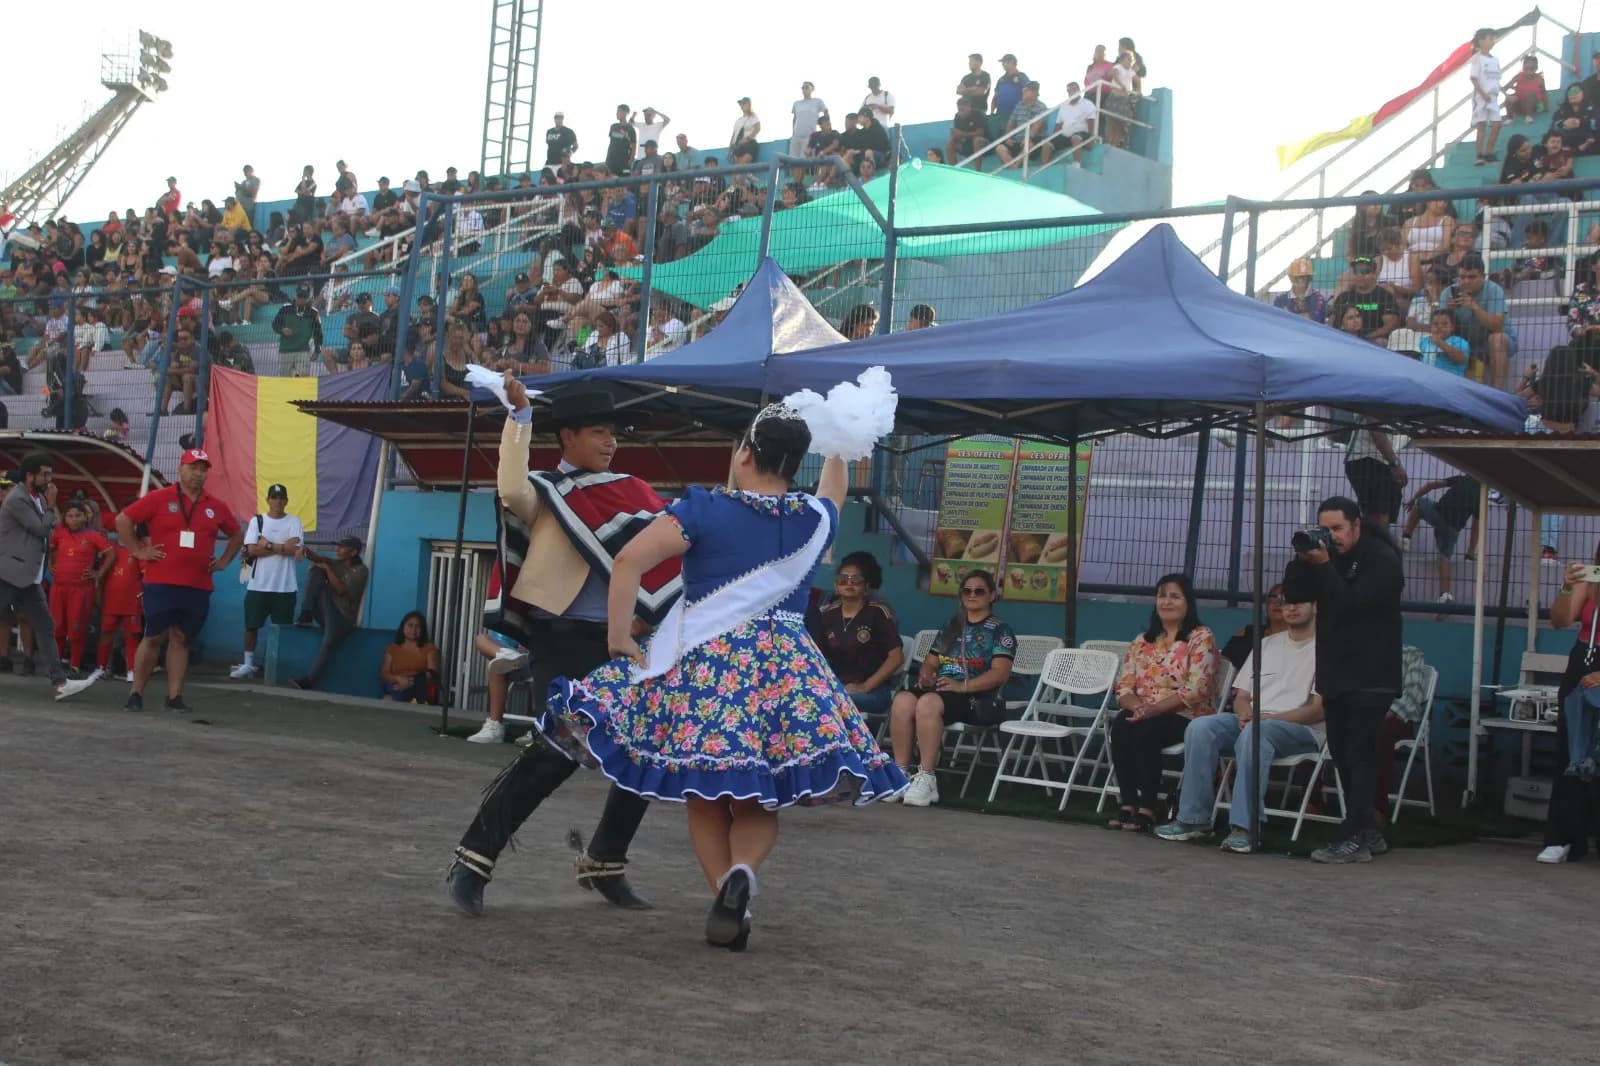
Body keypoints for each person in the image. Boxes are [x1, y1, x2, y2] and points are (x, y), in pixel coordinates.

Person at [539, 398, 906, 951]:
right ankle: (743, 875)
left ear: (744, 455)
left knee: (705, 795)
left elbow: (628, 562)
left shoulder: (705, 509)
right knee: (758, 801)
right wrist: (840, 435)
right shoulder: (815, 519)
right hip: (785, 668)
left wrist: (618, 637)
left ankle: (725, 894)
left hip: (707, 668)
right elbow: (834, 488)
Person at [445, 381, 686, 918]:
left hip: (623, 641)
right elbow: (509, 489)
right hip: (563, 636)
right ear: (569, 436)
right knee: (555, 753)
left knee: (641, 752)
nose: (610, 443)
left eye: (613, 433)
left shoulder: (635, 489)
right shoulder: (544, 492)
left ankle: (606, 860)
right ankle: (474, 859)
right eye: (599, 432)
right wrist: (521, 418)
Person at [1283, 495, 1404, 864]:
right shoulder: (1327, 559)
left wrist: (1323, 567)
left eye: (1337, 528)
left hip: (1372, 673)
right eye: (1326, 528)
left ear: (1356, 525)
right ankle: (1366, 828)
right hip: (1336, 672)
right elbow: (1296, 595)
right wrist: (1304, 560)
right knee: (1341, 753)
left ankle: (1353, 836)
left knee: (1360, 753)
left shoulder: (1381, 561)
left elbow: (1351, 605)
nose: (1331, 536)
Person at [1156, 597, 1323, 852]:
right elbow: (1242, 696)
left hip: (1300, 728)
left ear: (1316, 607)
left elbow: (1317, 710)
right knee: (1201, 727)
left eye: (1300, 601)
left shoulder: (1329, 648)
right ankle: (1193, 819)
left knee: (1255, 733)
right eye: (1286, 602)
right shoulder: (1266, 644)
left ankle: (1246, 828)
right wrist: (1245, 713)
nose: (1290, 606)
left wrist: (1263, 719)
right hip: (1255, 720)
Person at [116, 448, 244, 713]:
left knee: (182, 638)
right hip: (161, 581)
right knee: (153, 636)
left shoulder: (214, 505)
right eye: (193, 468)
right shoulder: (160, 498)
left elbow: (236, 534)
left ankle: (174, 696)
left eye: (203, 469)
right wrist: (139, 550)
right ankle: (136, 692)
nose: (198, 474)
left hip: (197, 584)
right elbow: (123, 519)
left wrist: (223, 562)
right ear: (180, 469)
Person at [888, 569, 1016, 808]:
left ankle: (927, 778)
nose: (972, 595)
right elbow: (931, 661)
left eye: (979, 591)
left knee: (927, 703)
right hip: (942, 690)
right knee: (903, 699)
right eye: (967, 591)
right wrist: (926, 675)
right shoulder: (952, 626)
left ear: (991, 596)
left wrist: (962, 686)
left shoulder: (1000, 630)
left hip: (975, 697)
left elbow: (1000, 673)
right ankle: (900, 774)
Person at [1106, 574, 1219, 833]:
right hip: (1143, 711)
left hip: (1187, 715)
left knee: (1146, 729)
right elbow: (1124, 686)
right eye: (1162, 595)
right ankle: (1128, 803)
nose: (1166, 601)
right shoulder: (1142, 640)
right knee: (1121, 725)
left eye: (1174, 596)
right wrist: (1138, 707)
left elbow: (1196, 689)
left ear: (1188, 602)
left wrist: (1151, 710)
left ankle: (1148, 807)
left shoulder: (1200, 637)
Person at [0, 454, 97, 700]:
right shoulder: (18, 499)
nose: (49, 479)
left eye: (49, 474)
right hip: (9, 573)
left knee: (45, 626)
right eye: (45, 474)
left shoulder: (35, 498)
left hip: (26, 576)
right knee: (44, 625)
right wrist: (53, 506)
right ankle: (59, 681)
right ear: (29, 476)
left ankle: (59, 682)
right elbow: (41, 528)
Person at [1536, 546, 1600, 863]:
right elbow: (1560, 620)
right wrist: (1566, 586)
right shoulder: (1591, 579)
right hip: (1584, 659)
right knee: (1572, 750)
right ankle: (1563, 837)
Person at [808, 551, 904, 719]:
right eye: (843, 580)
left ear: (866, 586)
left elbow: (896, 658)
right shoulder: (826, 615)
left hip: (872, 691)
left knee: (834, 702)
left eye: (856, 580)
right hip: (837, 688)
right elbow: (817, 657)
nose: (849, 583)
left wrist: (866, 686)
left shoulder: (877, 613)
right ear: (836, 586)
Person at [230, 484, 304, 680]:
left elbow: (295, 548)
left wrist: (268, 544)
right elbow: (251, 550)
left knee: (283, 629)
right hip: (258, 584)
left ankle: (278, 667)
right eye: (274, 497)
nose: (278, 501)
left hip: (285, 587)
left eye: (281, 498)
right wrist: (282, 547)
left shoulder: (294, 521)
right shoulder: (257, 520)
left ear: (286, 500)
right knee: (251, 626)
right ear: (268, 500)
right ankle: (248, 664)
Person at [288, 537, 369, 691]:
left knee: (329, 640)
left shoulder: (361, 571)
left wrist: (327, 569)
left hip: (343, 618)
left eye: (342, 547)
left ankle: (308, 680)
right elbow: (316, 558)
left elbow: (341, 590)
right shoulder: (335, 563)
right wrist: (303, 549)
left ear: (354, 552)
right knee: (317, 569)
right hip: (328, 612)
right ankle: (306, 613)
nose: (337, 550)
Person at [47, 499, 112, 674]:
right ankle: (57, 664)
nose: (74, 519)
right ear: (64, 518)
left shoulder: (93, 535)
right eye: (69, 516)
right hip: (59, 587)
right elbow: (50, 548)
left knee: (77, 627)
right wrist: (50, 564)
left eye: (78, 515)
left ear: (85, 517)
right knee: (57, 627)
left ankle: (75, 665)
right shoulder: (59, 533)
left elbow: (110, 553)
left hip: (82, 589)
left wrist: (98, 573)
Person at [1401, 475, 1481, 609]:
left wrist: (1414, 499)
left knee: (1421, 503)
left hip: (1438, 515)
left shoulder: (1461, 479)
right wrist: (1470, 552)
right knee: (1445, 558)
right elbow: (1476, 527)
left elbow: (1430, 485)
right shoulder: (1480, 496)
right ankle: (1445, 595)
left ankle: (1406, 537)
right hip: (1453, 529)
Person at [96, 526, 146, 682]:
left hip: (132, 601)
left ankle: (131, 670)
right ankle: (101, 668)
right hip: (111, 600)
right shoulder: (109, 548)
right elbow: (100, 575)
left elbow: (145, 575)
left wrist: (143, 597)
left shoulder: (141, 549)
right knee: (106, 634)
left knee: (131, 636)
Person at [1342, 418, 1406, 538]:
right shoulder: (1374, 402)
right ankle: (1379, 551)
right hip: (1367, 458)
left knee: (1378, 516)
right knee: (1379, 517)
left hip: (1374, 459)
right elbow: (1377, 432)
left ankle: (1377, 549)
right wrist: (1395, 464)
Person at [381, 611, 440, 702]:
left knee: (394, 699)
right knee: (395, 694)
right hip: (395, 684)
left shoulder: (429, 649)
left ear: (422, 629)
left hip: (418, 687)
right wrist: (399, 679)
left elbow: (432, 675)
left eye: (418, 626)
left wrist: (410, 683)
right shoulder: (392, 649)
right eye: (410, 625)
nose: (413, 630)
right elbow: (384, 674)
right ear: (403, 627)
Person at [1469, 27, 1503, 166]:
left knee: (1497, 124)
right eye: (1489, 39)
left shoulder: (1495, 60)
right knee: (1481, 126)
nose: (1492, 41)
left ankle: (1489, 152)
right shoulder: (1477, 58)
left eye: (1493, 39)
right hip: (1481, 97)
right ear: (1481, 41)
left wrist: (1505, 93)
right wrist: (1482, 94)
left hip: (1493, 97)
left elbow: (1496, 80)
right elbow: (1473, 78)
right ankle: (1479, 155)